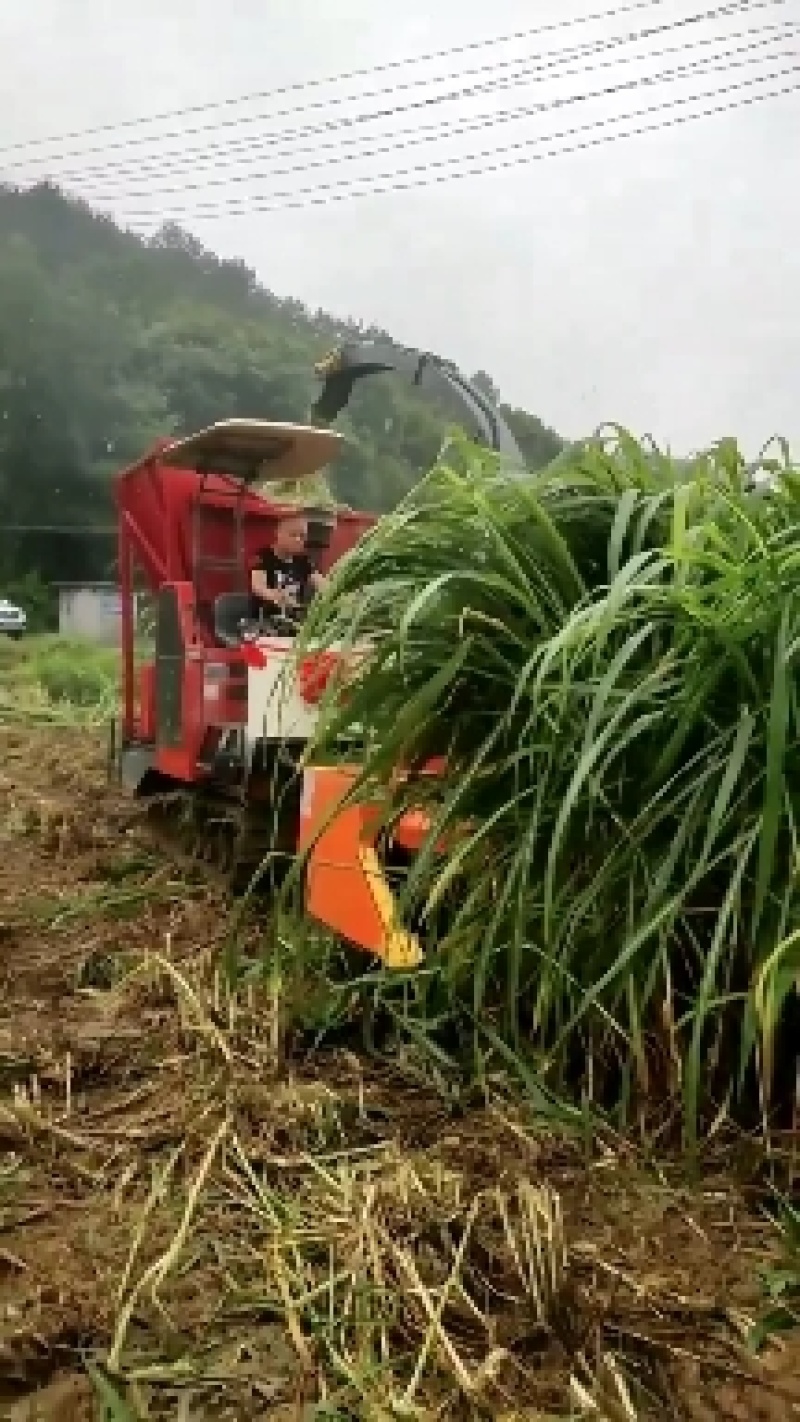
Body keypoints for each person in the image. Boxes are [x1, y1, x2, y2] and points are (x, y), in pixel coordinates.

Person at [250, 513, 326, 623]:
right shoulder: (263, 557)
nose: (298, 539)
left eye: (302, 536)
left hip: (295, 620)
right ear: (278, 533)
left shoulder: (303, 561)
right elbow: (258, 587)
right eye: (293, 534)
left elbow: (322, 584)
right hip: (266, 620)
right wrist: (275, 596)